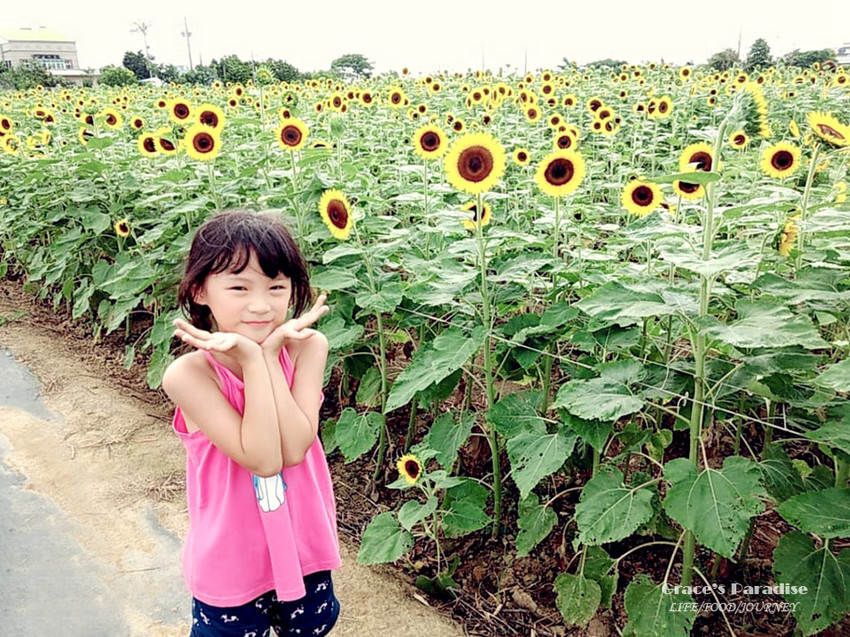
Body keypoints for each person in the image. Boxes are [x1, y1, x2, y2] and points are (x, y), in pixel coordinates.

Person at [162, 210, 342, 637]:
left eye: (276, 287)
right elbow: (263, 459)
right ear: (201, 290)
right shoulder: (190, 375)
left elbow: (295, 448)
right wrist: (254, 359)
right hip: (231, 566)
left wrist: (268, 357)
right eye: (239, 287)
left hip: (304, 550)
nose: (261, 305)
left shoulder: (306, 347)